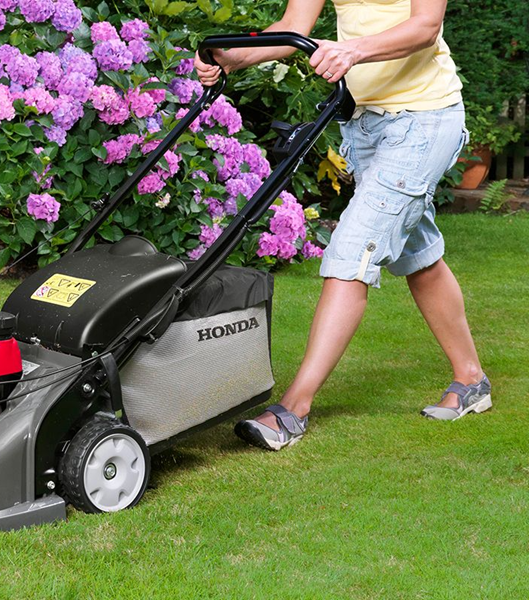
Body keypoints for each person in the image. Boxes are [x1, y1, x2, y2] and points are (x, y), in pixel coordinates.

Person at [195, 0, 491, 451]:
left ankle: (293, 409)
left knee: (351, 253)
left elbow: (425, 27)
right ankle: (471, 379)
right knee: (419, 257)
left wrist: (352, 51)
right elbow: (294, 26)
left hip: (424, 122)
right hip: (363, 124)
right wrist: (230, 57)